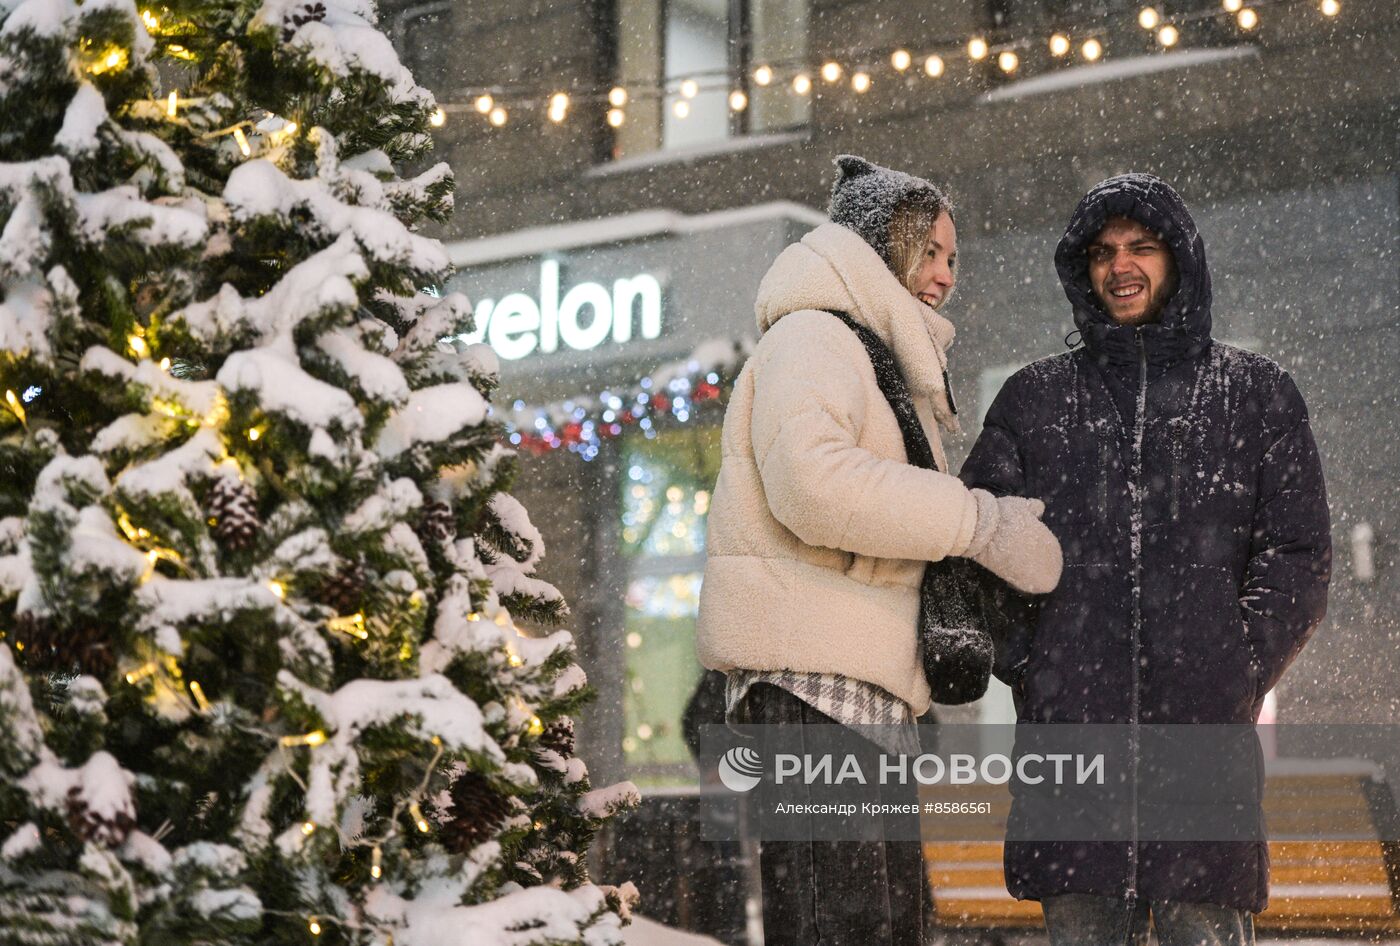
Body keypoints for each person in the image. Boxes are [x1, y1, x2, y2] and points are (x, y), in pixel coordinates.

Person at [696, 155, 1062, 946]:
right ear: (874, 246)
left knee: (878, 925)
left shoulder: (867, 355)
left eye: (952, 258)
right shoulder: (816, 338)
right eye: (926, 250)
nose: (943, 275)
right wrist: (978, 523)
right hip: (810, 689)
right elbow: (815, 485)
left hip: (849, 691)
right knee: (846, 925)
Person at [960, 173, 1331, 946]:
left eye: (1141, 247)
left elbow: (1297, 555)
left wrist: (1234, 663)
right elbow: (976, 543)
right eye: (1102, 252)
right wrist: (1034, 665)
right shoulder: (1034, 402)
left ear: (1180, 260)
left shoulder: (1257, 395)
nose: (1119, 267)